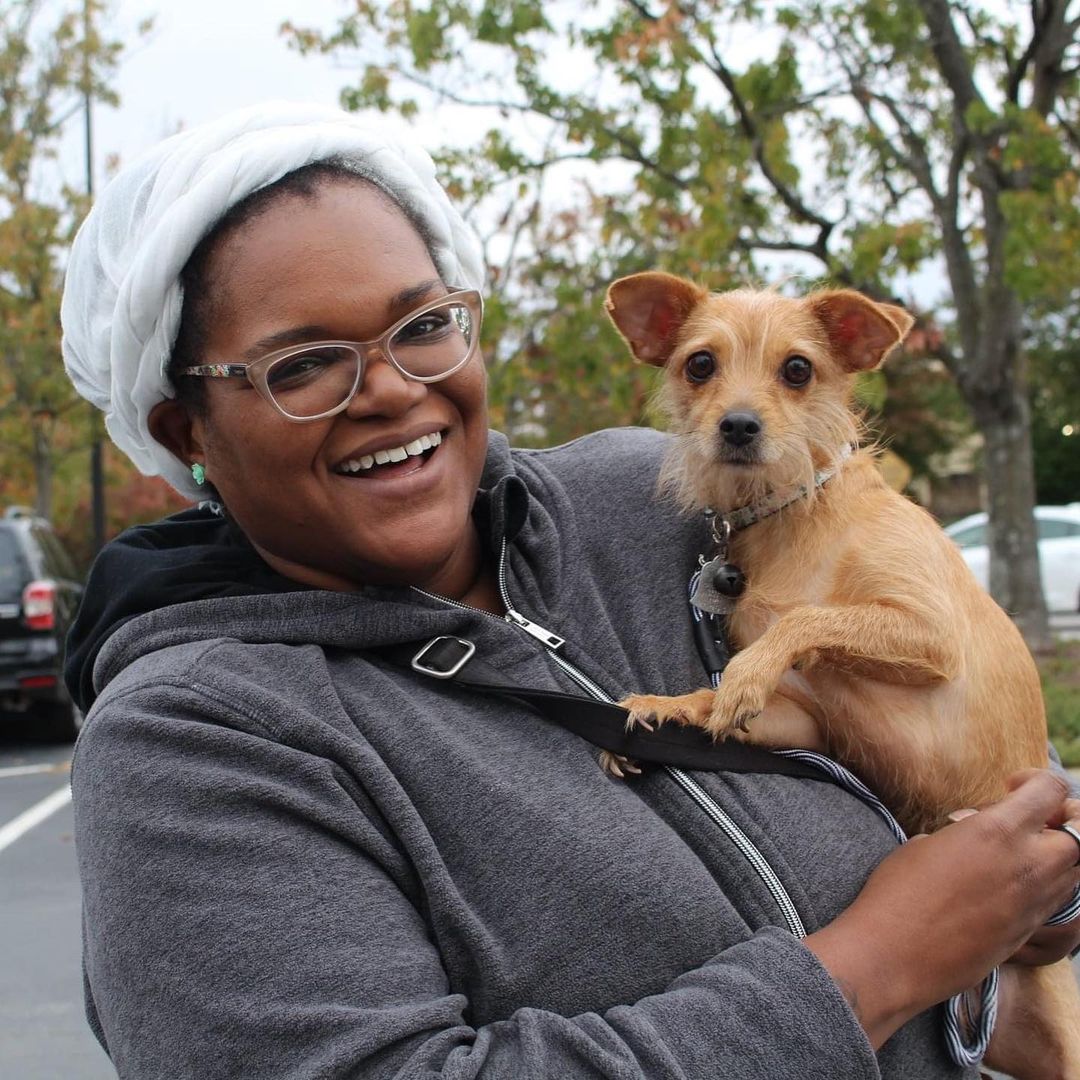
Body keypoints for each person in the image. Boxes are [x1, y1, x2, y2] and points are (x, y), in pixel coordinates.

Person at [60, 102, 1080, 1080]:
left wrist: (1043, 874)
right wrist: (881, 965)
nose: (390, 389)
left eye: (422, 324)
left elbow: (965, 718)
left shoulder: (649, 499)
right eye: (306, 363)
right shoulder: (192, 743)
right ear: (185, 432)